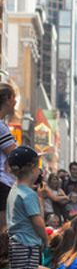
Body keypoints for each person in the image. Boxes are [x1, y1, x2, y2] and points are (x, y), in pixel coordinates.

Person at [6, 146, 48, 269]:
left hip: (15, 244)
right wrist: (45, 240)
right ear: (32, 167)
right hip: (28, 245)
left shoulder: (15, 189)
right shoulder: (29, 195)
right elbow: (38, 222)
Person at [0, 83, 18, 230]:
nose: (16, 102)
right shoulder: (1, 127)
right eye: (14, 98)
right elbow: (14, 156)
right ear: (7, 99)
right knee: (4, 232)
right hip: (3, 184)